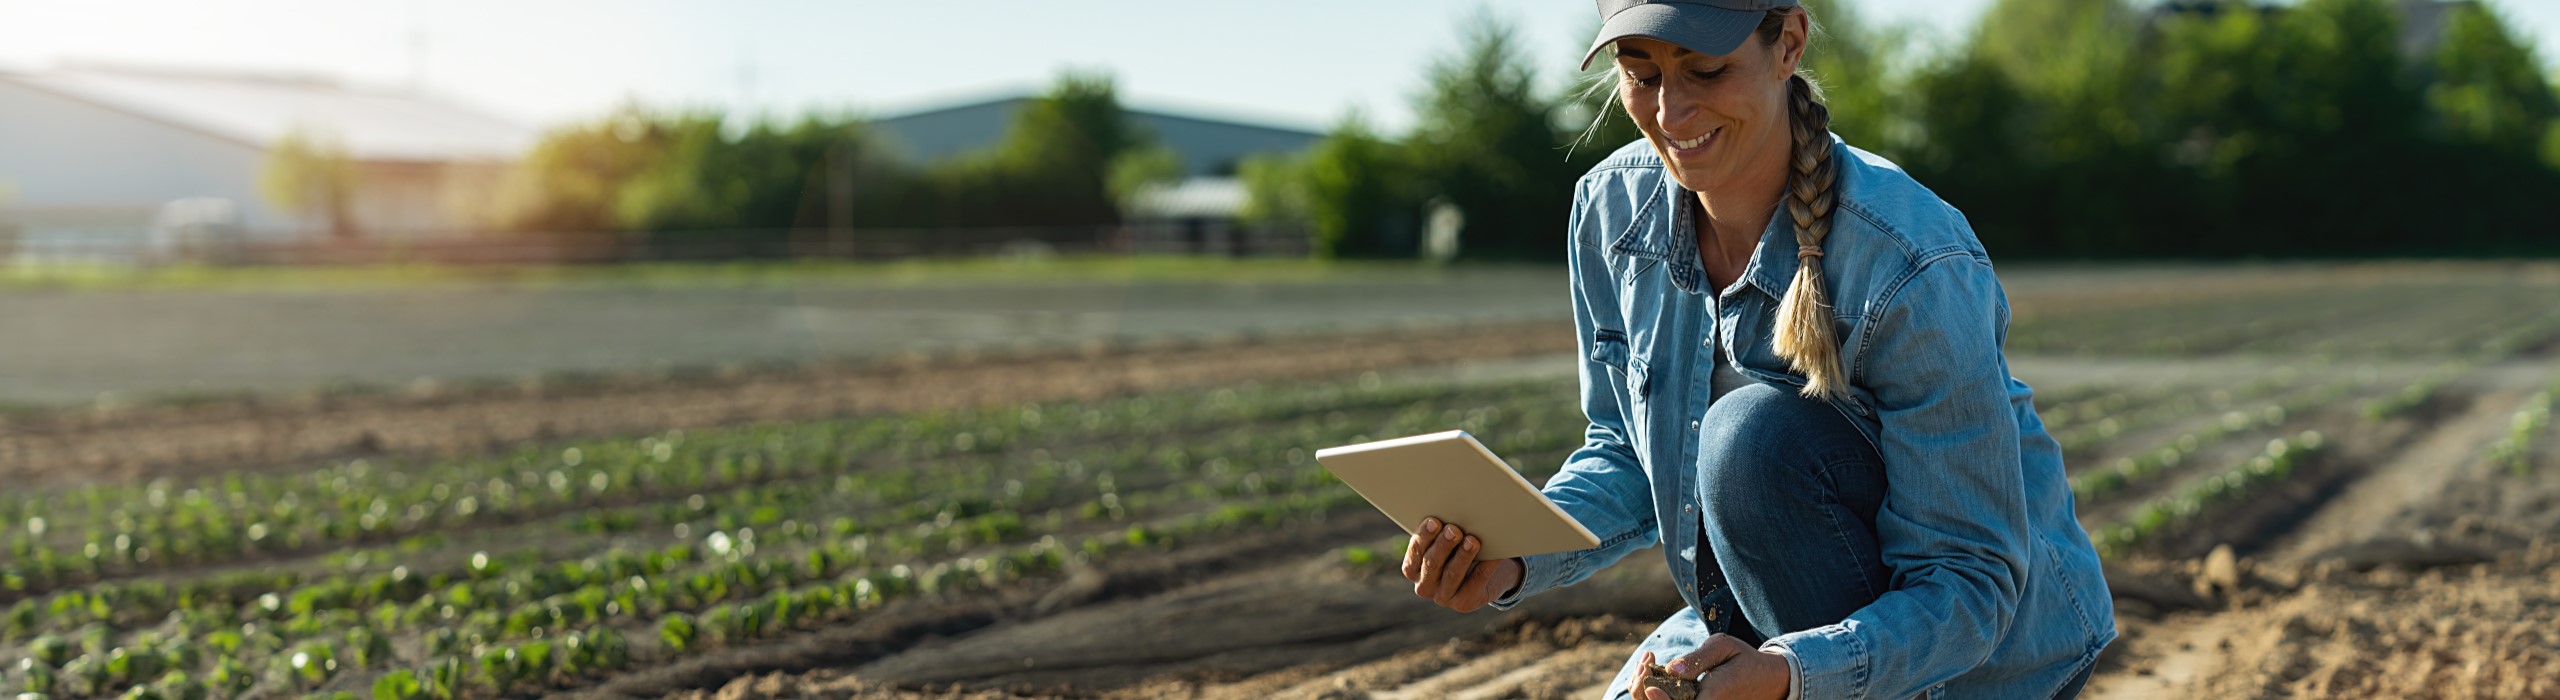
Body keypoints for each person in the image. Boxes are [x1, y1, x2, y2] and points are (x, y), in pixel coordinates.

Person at [1394, 1, 2115, 698]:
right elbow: (1625, 450)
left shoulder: (1911, 261)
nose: (1670, 114)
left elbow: (1969, 582)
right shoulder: (1610, 210)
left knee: (1751, 441)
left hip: (1986, 659)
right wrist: (1514, 558)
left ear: (1790, 44)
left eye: (1705, 70)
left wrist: (1791, 676)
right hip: (1772, 614)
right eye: (1641, 76)